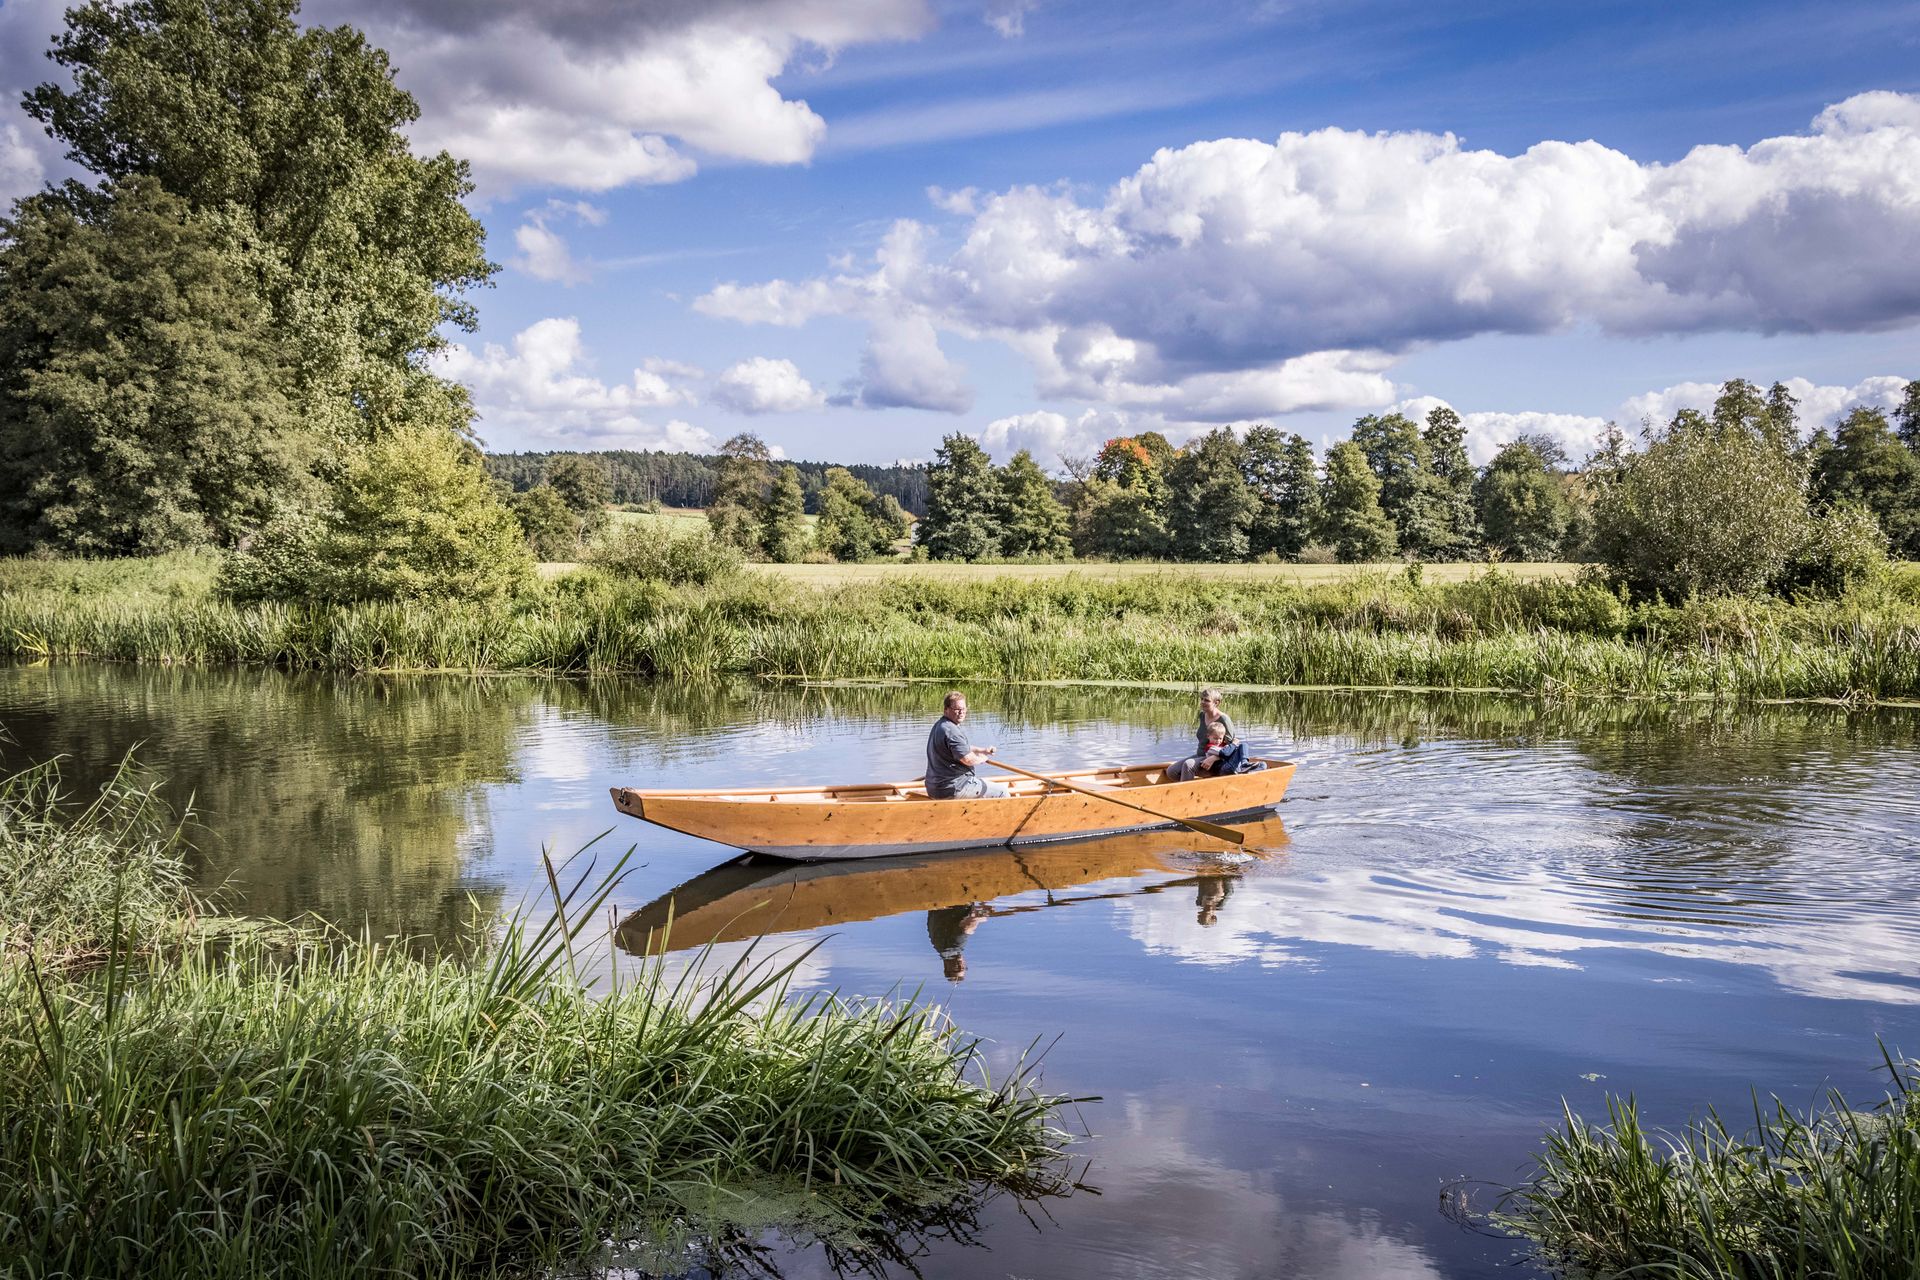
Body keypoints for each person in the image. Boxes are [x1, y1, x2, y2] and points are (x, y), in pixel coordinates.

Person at [925, 691, 1008, 799]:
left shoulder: (941, 725)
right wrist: (982, 759)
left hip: (935, 787)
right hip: (954, 788)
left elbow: (960, 748)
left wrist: (982, 750)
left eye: (963, 709)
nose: (961, 712)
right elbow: (968, 760)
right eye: (957, 709)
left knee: (985, 786)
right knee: (1003, 792)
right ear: (946, 710)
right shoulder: (951, 731)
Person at [1166, 688, 1237, 782]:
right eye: (1202, 699)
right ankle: (1195, 790)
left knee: (1189, 765)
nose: (1202, 702)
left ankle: (1187, 794)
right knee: (1172, 771)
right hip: (1201, 756)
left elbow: (1233, 747)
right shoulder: (1202, 715)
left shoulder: (1224, 719)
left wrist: (1214, 757)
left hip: (1217, 761)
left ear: (1217, 702)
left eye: (1206, 700)